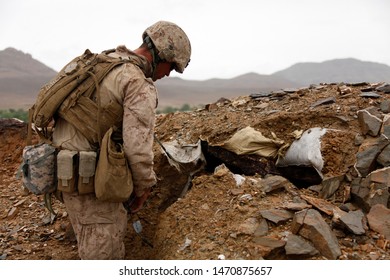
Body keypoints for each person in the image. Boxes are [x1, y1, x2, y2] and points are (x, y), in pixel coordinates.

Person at [51, 20, 191, 259]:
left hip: (64, 175)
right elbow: (138, 148)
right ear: (162, 55)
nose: (167, 74)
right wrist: (143, 187)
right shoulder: (136, 82)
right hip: (94, 187)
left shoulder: (99, 64)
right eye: (171, 67)